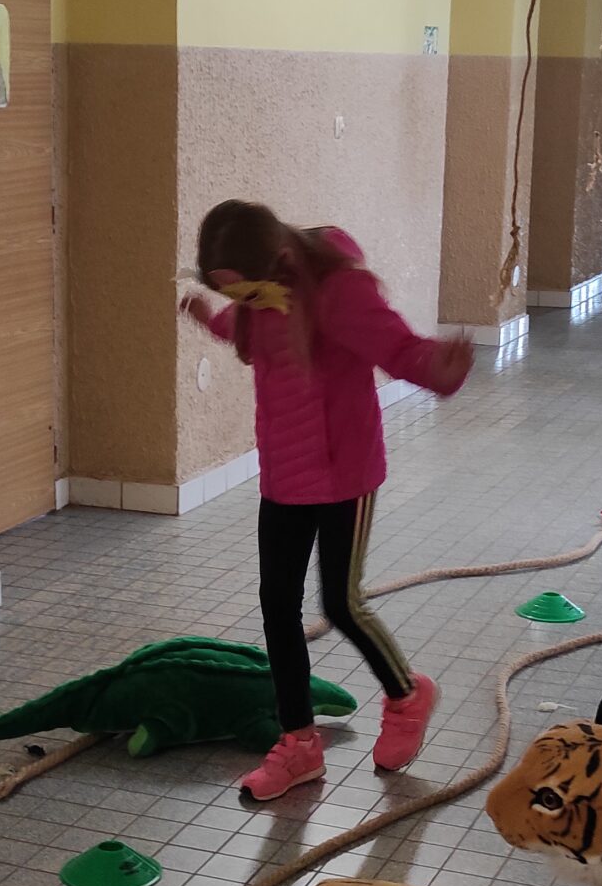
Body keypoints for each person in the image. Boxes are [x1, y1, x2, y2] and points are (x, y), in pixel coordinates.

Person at [180, 200, 472, 801]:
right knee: (277, 605)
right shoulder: (258, 302)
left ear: (278, 261)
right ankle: (299, 746)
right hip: (285, 476)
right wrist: (211, 316)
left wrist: (440, 368)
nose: (245, 305)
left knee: (341, 602)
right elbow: (244, 325)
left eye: (247, 292)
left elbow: (396, 347)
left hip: (344, 475)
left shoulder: (339, 292)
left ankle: (407, 694)